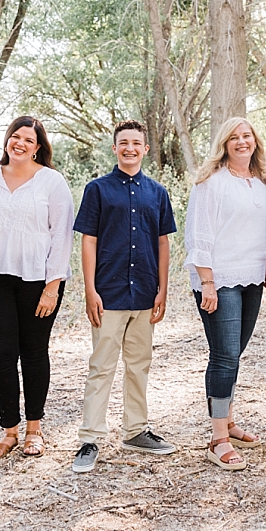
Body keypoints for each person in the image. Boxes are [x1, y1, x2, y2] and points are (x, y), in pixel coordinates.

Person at [0, 116, 74, 461]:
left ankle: (34, 429)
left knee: (34, 353)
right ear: (7, 140)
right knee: (0, 356)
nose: (21, 143)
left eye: (29, 139)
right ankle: (9, 431)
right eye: (16, 136)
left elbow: (62, 236)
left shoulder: (52, 182)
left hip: (38, 281)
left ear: (38, 146)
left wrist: (52, 287)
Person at [71, 120, 177, 473]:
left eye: (136, 143)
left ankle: (135, 430)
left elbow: (163, 242)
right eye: (123, 143)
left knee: (139, 365)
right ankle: (90, 438)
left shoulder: (157, 193)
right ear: (115, 148)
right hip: (109, 292)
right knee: (101, 366)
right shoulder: (98, 190)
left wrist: (163, 288)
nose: (130, 148)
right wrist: (90, 290)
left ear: (145, 149)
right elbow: (88, 240)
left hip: (145, 292)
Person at [182, 117, 266, 471]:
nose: (241, 142)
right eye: (233, 137)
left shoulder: (262, 183)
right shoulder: (211, 183)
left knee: (236, 353)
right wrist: (206, 281)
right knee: (224, 356)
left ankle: (230, 420)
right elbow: (199, 234)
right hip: (219, 280)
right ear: (224, 143)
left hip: (252, 278)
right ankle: (218, 438)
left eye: (246, 136)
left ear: (255, 141)